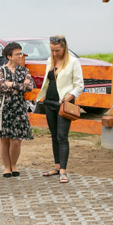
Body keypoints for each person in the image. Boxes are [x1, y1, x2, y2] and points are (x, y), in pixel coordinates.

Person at [36, 35, 82, 184]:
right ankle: (56, 166)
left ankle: (63, 169)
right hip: (49, 102)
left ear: (64, 47)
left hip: (64, 104)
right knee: (54, 135)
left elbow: (79, 85)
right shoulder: (50, 60)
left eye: (57, 50)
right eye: (52, 50)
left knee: (62, 136)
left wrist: (68, 98)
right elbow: (48, 81)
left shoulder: (73, 62)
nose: (55, 53)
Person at [0, 42, 34, 177]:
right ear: (9, 56)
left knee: (16, 140)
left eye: (20, 53)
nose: (20, 56)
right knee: (4, 139)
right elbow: (1, 87)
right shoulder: (1, 70)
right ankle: (6, 167)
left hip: (19, 108)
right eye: (17, 54)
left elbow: (29, 87)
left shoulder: (24, 70)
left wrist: (12, 84)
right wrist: (19, 86)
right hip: (4, 107)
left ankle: (14, 164)